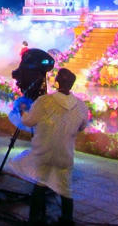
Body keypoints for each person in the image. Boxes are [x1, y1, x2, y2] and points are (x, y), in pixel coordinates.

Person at [10, 68, 89, 226]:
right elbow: (81, 127)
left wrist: (22, 110)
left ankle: (35, 219)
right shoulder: (81, 106)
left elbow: (28, 121)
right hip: (65, 154)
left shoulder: (45, 101)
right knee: (66, 189)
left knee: (40, 183)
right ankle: (67, 220)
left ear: (57, 82)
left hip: (44, 152)